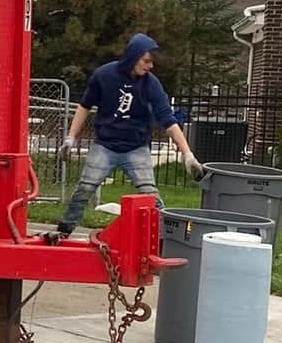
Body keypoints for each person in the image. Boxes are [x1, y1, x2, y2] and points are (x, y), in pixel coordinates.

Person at [52, 33, 203, 239]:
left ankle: (160, 238)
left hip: (136, 147)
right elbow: (84, 106)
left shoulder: (151, 84)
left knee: (150, 195)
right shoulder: (104, 75)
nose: (150, 66)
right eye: (146, 61)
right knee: (85, 188)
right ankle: (64, 231)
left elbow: (168, 120)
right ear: (133, 56)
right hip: (105, 144)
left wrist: (187, 154)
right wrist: (71, 138)